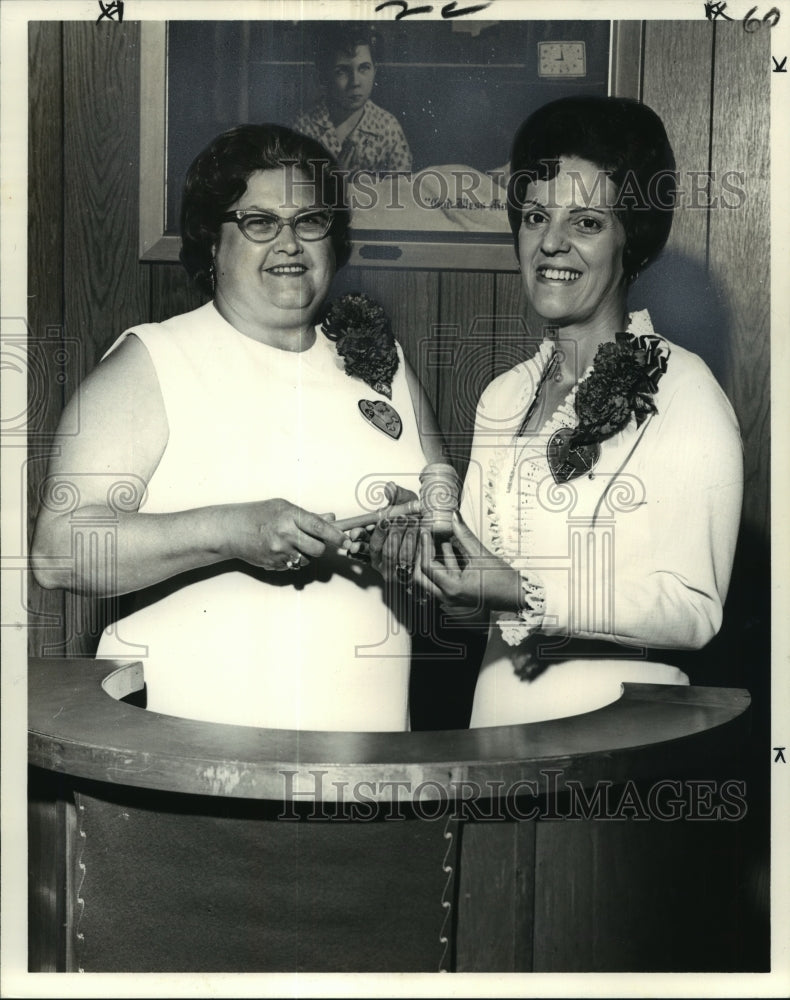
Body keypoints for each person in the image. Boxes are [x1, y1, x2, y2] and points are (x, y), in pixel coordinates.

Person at [31, 123, 442, 731]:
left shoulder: (387, 364)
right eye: (258, 222)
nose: (289, 243)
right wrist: (229, 531)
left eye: (310, 222)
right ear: (212, 244)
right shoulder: (153, 361)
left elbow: (450, 546)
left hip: (366, 755)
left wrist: (413, 541)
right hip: (183, 756)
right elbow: (58, 553)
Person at [414, 96, 743, 727]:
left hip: (617, 740)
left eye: (587, 222)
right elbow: (474, 601)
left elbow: (693, 608)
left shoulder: (684, 389)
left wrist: (519, 589)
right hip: (494, 731)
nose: (552, 243)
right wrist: (428, 560)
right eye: (536, 216)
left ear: (632, 239)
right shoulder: (502, 397)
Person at [294, 25, 412, 174]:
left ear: (375, 71)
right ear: (324, 77)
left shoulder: (388, 129)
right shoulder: (305, 128)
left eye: (364, 68)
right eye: (342, 71)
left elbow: (402, 190)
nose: (355, 82)